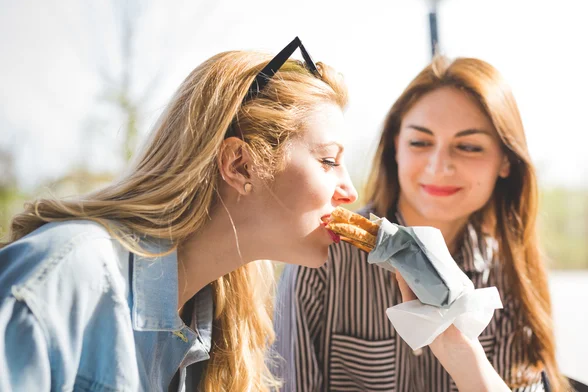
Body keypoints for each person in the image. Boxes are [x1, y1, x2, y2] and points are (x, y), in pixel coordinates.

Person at [0, 37, 358, 392]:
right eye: (329, 161)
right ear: (240, 165)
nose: (351, 192)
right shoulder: (66, 276)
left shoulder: (224, 328)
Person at [273, 55, 569, 391]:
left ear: (505, 161)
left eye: (469, 146)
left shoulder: (509, 276)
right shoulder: (323, 257)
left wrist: (460, 350)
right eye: (420, 142)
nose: (439, 165)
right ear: (395, 147)